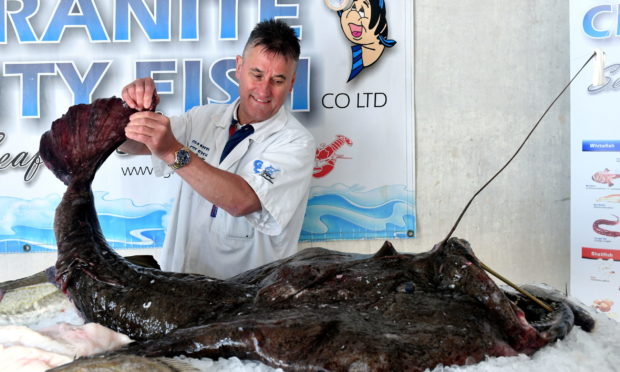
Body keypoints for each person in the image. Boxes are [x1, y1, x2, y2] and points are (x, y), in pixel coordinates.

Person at [119, 19, 315, 279]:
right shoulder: (203, 118)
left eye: (278, 80)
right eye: (256, 74)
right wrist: (130, 115)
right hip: (177, 288)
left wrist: (171, 152)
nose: (264, 90)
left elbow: (242, 201)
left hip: (244, 302)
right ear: (239, 66)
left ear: (291, 83)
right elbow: (129, 143)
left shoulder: (296, 142)